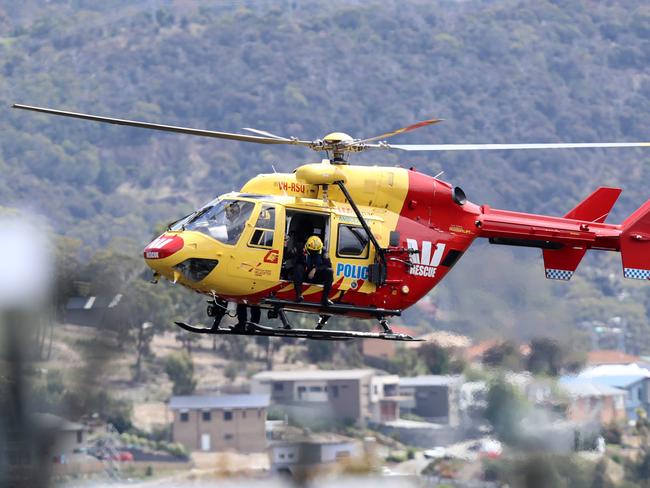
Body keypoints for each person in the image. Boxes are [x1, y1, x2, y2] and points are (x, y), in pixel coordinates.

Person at [293, 235, 333, 306]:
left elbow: (328, 264)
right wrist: (285, 244)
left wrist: (315, 269)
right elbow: (288, 256)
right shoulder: (300, 247)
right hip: (303, 275)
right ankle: (299, 295)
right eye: (312, 251)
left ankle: (325, 298)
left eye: (316, 251)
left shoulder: (323, 250)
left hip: (316, 276)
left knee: (329, 271)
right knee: (298, 267)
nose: (314, 253)